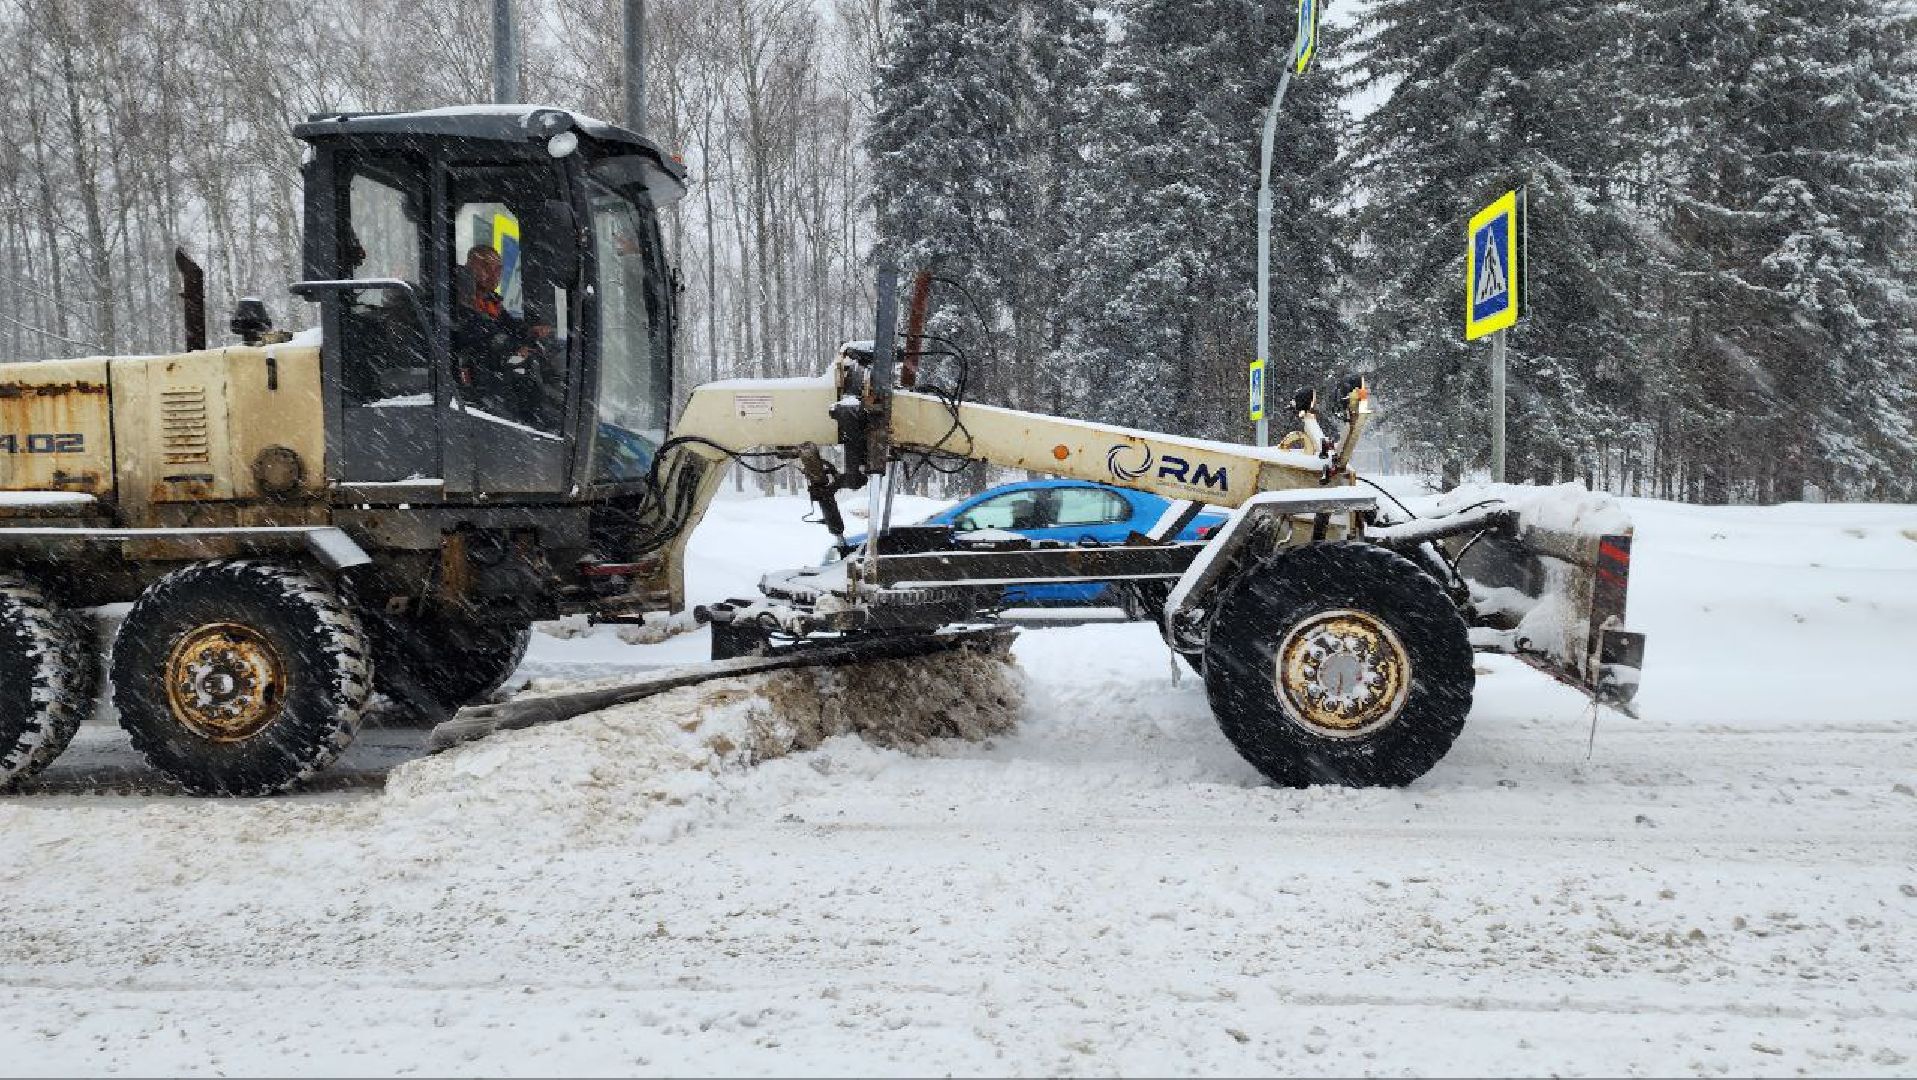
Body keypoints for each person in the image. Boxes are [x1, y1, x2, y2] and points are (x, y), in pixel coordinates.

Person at [452, 243, 551, 426]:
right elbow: (476, 329)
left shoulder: (491, 300)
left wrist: (529, 331)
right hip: (472, 371)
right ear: (469, 266)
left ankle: (535, 422)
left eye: (497, 269)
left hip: (491, 363)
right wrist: (511, 345)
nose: (493, 274)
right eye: (486, 267)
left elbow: (508, 324)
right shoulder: (457, 294)